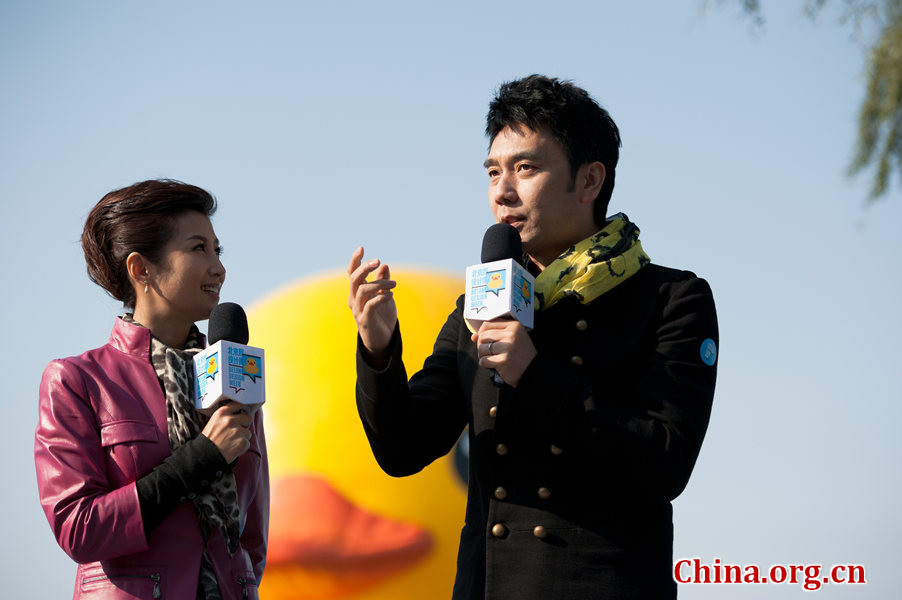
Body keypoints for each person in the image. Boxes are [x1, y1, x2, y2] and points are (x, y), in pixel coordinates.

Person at [348, 75, 718, 599]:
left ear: (590, 181)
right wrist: (380, 351)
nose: (503, 191)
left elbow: (665, 464)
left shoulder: (670, 299)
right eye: (494, 171)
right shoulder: (476, 306)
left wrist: (535, 373)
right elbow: (404, 449)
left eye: (526, 168)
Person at [35, 179, 269, 600]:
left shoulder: (237, 377)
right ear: (141, 268)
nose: (219, 267)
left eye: (218, 250)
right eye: (199, 249)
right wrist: (202, 458)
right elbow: (78, 528)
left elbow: (252, 538)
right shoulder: (76, 381)